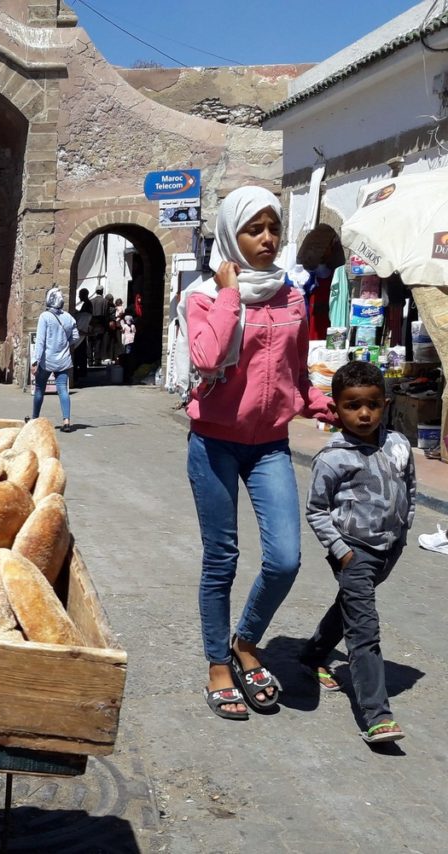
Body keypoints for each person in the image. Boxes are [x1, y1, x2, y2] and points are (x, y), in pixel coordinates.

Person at [179, 186, 335, 721]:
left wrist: (317, 403)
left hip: (270, 445)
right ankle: (218, 664)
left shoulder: (292, 296)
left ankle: (247, 643)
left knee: (285, 558)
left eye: (273, 228)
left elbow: (293, 369)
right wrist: (229, 293)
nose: (267, 239)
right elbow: (205, 356)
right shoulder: (201, 295)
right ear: (231, 237)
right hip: (214, 443)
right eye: (254, 229)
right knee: (221, 559)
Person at [301, 360, 414, 744]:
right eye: (352, 405)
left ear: (385, 402)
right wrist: (341, 551)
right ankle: (377, 715)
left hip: (388, 549)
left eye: (372, 404)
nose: (363, 414)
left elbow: (409, 488)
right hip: (353, 551)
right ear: (336, 407)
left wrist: (403, 530)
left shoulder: (398, 445)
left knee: (350, 607)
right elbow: (316, 510)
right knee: (364, 630)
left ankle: (312, 655)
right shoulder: (332, 457)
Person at [31, 287, 78, 432]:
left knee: (39, 388)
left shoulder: (45, 317)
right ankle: (66, 421)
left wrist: (35, 361)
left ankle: (34, 419)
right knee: (63, 389)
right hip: (63, 359)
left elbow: (40, 341)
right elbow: (75, 336)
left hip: (47, 360)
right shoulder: (69, 317)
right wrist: (65, 343)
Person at [88, 286, 108, 365]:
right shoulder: (105, 301)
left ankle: (89, 361)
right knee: (98, 343)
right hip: (100, 325)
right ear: (102, 291)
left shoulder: (91, 301)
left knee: (90, 343)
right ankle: (97, 360)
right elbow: (106, 314)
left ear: (96, 291)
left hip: (91, 325)